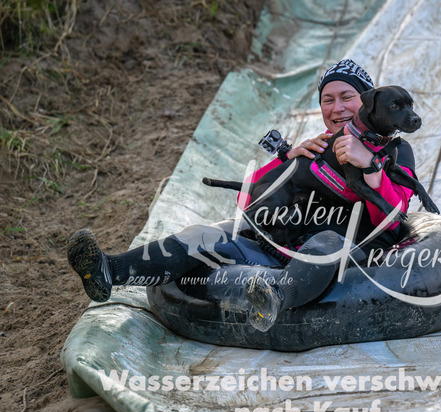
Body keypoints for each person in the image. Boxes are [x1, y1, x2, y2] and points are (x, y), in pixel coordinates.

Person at [67, 59, 422, 332]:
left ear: (369, 104)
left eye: (347, 97)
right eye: (328, 100)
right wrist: (288, 159)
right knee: (202, 236)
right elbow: (249, 202)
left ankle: (274, 299)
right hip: (280, 249)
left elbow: (394, 218)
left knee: (327, 240)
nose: (337, 107)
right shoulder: (318, 147)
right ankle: (108, 270)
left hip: (343, 257)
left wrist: (370, 166)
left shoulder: (395, 151)